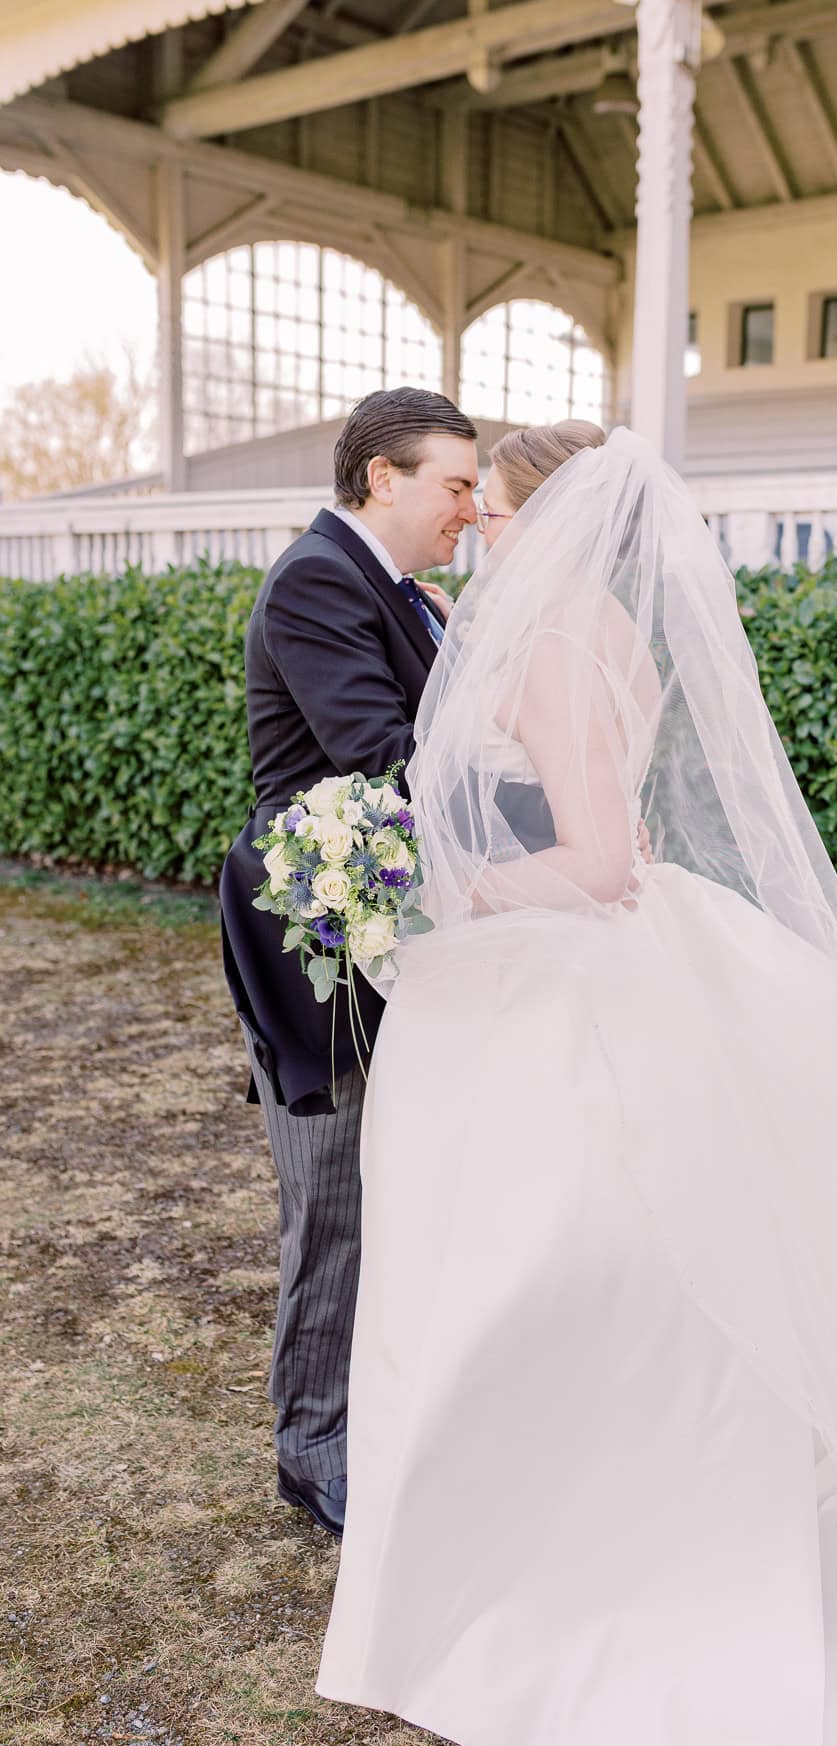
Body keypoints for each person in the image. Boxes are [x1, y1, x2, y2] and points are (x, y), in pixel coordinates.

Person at [317, 424, 837, 1746]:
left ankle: (584, 1553)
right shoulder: (615, 633)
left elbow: (598, 857)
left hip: (574, 977)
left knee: (565, 1261)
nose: (482, 525)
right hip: (648, 946)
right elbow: (629, 825)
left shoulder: (545, 641)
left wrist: (450, 895)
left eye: (496, 506)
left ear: (552, 513)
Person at [219, 386, 481, 1538]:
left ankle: (379, 1411)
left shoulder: (404, 591)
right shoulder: (321, 578)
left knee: (405, 1186)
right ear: (385, 477)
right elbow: (383, 761)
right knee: (329, 1198)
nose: (469, 510)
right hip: (318, 935)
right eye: (455, 485)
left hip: (400, 930)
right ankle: (311, 1445)